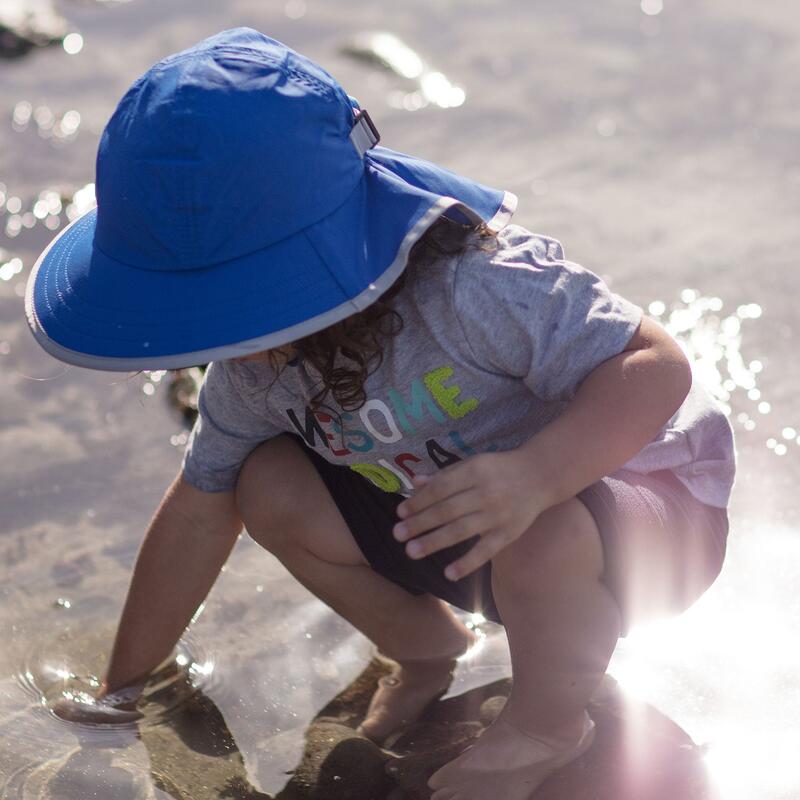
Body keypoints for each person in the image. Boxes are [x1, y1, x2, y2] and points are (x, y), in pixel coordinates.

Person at [25, 27, 736, 800]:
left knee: (543, 526)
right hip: (470, 540)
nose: (211, 345)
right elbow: (198, 517)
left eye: (227, 309)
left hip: (649, 527)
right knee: (262, 483)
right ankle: (426, 646)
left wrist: (536, 474)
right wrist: (123, 689)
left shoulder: (478, 288)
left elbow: (655, 365)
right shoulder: (254, 372)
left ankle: (547, 723)